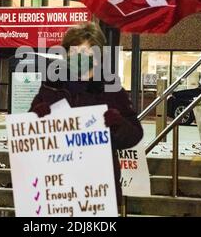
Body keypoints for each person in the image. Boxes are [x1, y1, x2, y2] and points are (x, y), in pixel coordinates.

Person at [28, 24, 143, 207]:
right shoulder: (51, 86)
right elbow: (29, 137)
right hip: (58, 188)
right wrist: (35, 117)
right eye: (73, 52)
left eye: (85, 52)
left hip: (97, 189)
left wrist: (118, 124)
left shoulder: (111, 89)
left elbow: (135, 134)